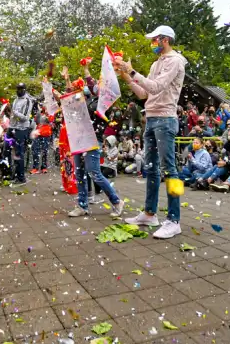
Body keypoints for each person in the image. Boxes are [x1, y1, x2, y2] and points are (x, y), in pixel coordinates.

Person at [116, 25, 187, 239]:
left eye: (154, 40)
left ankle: (174, 220)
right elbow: (143, 94)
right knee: (151, 168)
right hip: (151, 119)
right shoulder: (157, 63)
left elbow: (156, 87)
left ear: (165, 40)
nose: (152, 44)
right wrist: (127, 77)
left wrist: (131, 71)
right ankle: (149, 213)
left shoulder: (175, 61)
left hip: (166, 120)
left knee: (170, 170)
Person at [62, 76, 125, 218]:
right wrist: (67, 81)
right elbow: (70, 101)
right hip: (79, 139)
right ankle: (82, 205)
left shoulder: (101, 104)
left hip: (92, 139)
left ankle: (116, 201)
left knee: (94, 172)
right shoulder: (83, 101)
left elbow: (93, 113)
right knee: (79, 173)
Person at [9, 83, 35, 186]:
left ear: (24, 89)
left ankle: (21, 177)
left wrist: (14, 112)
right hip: (13, 128)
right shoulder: (15, 100)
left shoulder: (28, 101)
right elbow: (13, 115)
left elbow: (25, 117)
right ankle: (14, 174)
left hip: (22, 129)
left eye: (21, 89)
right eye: (17, 89)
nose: (18, 91)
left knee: (19, 153)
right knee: (11, 152)